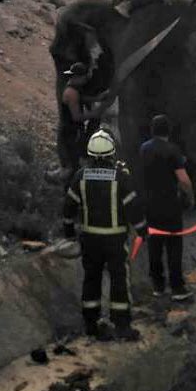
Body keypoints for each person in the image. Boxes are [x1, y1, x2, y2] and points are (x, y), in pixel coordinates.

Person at [62, 129, 147, 341]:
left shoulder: (80, 176)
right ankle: (122, 326)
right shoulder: (120, 178)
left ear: (90, 154)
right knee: (119, 279)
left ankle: (91, 323)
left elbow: (68, 207)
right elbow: (133, 208)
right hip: (115, 240)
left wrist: (69, 231)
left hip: (89, 239)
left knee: (91, 279)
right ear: (111, 154)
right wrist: (142, 230)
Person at [138, 115, 194, 300]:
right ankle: (177, 288)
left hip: (149, 205)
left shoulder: (144, 149)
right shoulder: (172, 150)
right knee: (173, 246)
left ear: (152, 130)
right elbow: (184, 180)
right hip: (170, 205)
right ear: (168, 131)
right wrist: (190, 195)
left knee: (154, 245)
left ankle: (158, 286)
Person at [59, 61, 104, 181]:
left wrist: (97, 98)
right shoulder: (72, 93)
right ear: (79, 77)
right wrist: (93, 114)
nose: (85, 81)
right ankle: (70, 187)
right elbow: (77, 117)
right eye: (84, 78)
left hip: (71, 130)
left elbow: (81, 98)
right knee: (74, 164)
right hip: (71, 131)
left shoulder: (72, 87)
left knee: (75, 160)